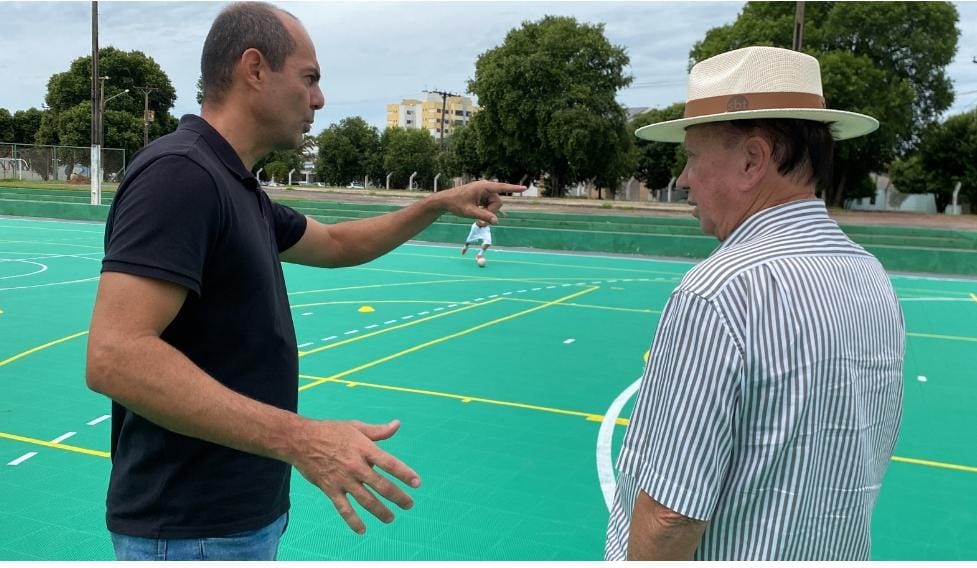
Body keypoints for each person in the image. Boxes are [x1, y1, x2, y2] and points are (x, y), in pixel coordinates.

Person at [84, 2, 524, 561]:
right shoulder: (182, 175)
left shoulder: (234, 184)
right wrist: (302, 440)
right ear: (255, 68)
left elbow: (339, 244)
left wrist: (437, 203)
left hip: (230, 521)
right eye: (310, 78)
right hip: (190, 528)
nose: (318, 99)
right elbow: (114, 355)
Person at [604, 46, 905, 560]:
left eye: (693, 156)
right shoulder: (870, 275)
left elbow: (670, 513)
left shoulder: (719, 290)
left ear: (752, 159)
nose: (683, 179)